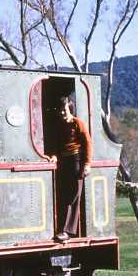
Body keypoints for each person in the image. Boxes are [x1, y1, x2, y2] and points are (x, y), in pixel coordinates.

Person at [45, 96, 92, 242]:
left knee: (73, 195)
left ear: (70, 109)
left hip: (76, 160)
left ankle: (67, 231)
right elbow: (55, 145)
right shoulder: (59, 126)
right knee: (64, 194)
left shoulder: (78, 123)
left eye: (64, 110)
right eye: (60, 110)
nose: (62, 113)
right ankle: (63, 229)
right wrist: (54, 156)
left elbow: (88, 143)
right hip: (64, 161)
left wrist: (87, 164)